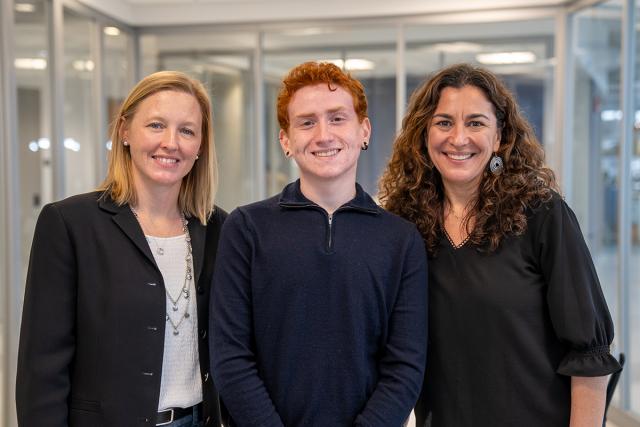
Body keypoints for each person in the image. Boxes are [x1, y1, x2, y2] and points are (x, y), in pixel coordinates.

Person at [378, 63, 622, 427]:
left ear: (500, 137)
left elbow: (589, 354)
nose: (458, 138)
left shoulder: (542, 215)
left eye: (475, 123)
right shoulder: (404, 226)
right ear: (423, 135)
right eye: (444, 122)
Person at [210, 61, 428, 426]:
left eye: (337, 118)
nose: (323, 134)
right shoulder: (246, 229)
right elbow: (230, 357)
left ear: (364, 130)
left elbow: (405, 367)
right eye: (307, 122)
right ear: (286, 140)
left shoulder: (401, 240)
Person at [16, 71, 227, 426]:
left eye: (187, 130)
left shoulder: (219, 227)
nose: (171, 143)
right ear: (125, 131)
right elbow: (42, 370)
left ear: (201, 145)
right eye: (156, 125)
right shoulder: (71, 224)